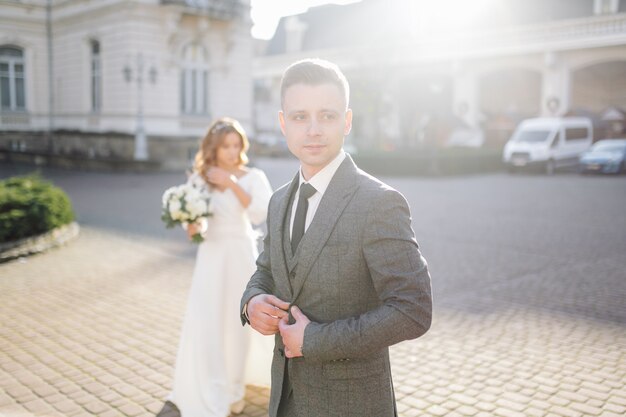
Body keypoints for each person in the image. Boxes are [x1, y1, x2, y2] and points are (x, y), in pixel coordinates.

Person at [240, 59, 433, 417]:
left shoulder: (379, 202)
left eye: (326, 116)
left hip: (352, 404)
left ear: (346, 121)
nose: (313, 130)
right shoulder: (279, 199)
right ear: (283, 123)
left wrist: (314, 340)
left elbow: (413, 309)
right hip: (285, 400)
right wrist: (251, 302)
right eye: (300, 117)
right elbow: (265, 269)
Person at [158, 117, 274, 417]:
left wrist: (232, 183)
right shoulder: (199, 178)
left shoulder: (253, 176)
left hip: (239, 254)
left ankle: (236, 387)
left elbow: (260, 212)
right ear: (214, 148)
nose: (232, 152)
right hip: (211, 256)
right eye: (226, 146)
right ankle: (213, 384)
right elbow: (194, 232)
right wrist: (192, 225)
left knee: (237, 323)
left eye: (237, 145)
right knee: (209, 320)